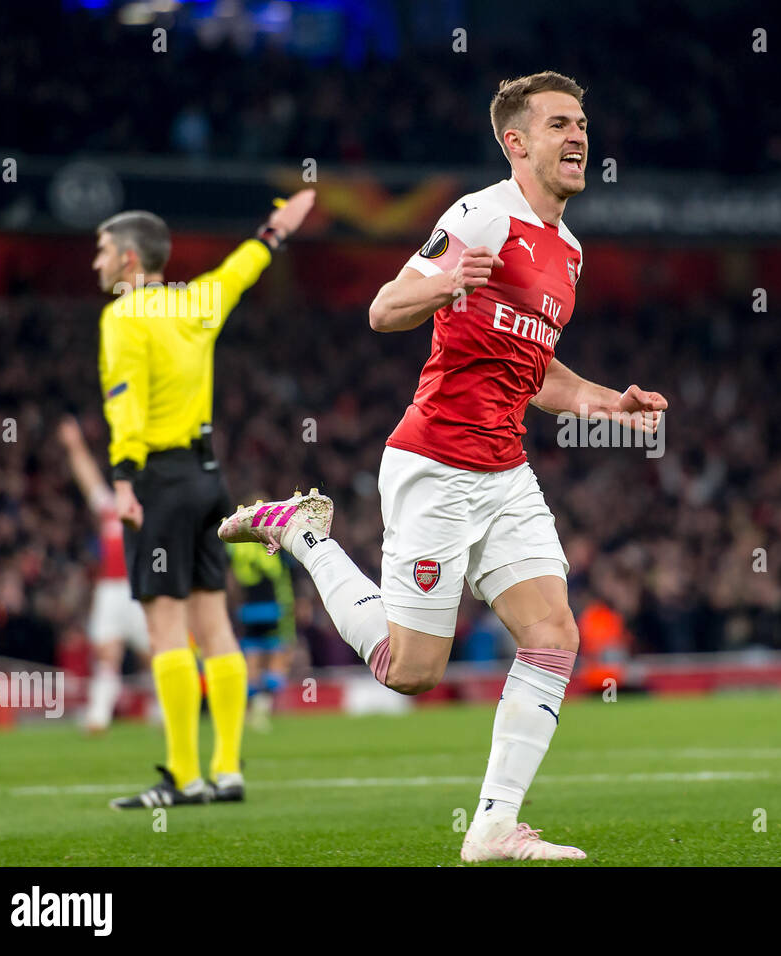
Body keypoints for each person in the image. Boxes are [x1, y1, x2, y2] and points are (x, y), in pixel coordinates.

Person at [221, 72, 667, 860]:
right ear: (516, 142)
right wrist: (448, 283)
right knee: (410, 672)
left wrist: (607, 402)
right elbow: (383, 308)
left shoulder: (568, 251)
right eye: (559, 124)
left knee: (553, 633)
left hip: (505, 469)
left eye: (582, 124)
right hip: (434, 462)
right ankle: (301, 534)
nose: (578, 136)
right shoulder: (480, 215)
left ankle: (493, 826)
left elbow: (538, 374)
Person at [94, 190, 315, 808]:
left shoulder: (123, 316)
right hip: (208, 479)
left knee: (166, 628)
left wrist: (122, 480)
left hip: (158, 481)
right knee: (214, 624)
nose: (97, 262)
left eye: (103, 251)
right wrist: (273, 233)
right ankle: (228, 770)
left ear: (130, 259)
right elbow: (240, 270)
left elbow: (124, 403)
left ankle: (184, 777)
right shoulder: (195, 301)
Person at [58, 416, 149, 732]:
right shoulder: (110, 508)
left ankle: (164, 711)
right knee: (107, 653)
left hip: (141, 587)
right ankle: (99, 715)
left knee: (154, 652)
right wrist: (74, 445)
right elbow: (89, 481)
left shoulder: (148, 511)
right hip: (110, 589)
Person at [226, 537, 297, 732]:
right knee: (278, 660)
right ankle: (261, 708)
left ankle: (247, 710)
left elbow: (231, 580)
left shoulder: (233, 541)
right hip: (273, 607)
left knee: (252, 662)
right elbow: (288, 573)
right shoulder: (274, 537)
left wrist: (235, 607)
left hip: (247, 609)